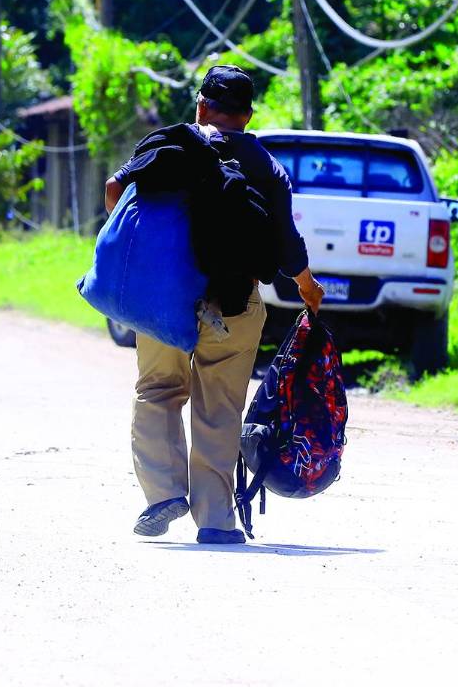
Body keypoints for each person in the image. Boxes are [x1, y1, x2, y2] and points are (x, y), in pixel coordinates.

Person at [104, 64, 324, 546]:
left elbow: (115, 190)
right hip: (233, 301)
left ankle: (163, 493)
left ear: (201, 105)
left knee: (158, 388)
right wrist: (308, 286)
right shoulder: (265, 165)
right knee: (220, 406)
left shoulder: (170, 144)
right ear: (247, 116)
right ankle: (216, 520)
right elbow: (286, 242)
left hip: (163, 297)